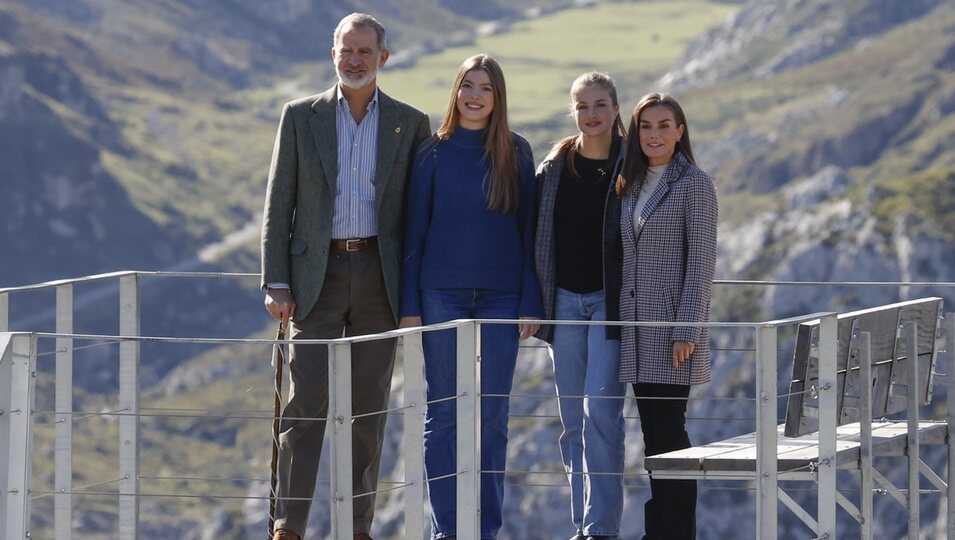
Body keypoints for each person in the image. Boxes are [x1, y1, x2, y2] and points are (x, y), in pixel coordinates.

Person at [260, 12, 431, 540]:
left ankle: (357, 526)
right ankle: (289, 526)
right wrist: (276, 281)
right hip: (316, 278)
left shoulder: (410, 123)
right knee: (304, 405)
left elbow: (417, 215)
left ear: (383, 57)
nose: (355, 60)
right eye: (346, 50)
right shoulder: (299, 116)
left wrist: (413, 293)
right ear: (332, 54)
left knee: (368, 410)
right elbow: (277, 203)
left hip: (380, 278)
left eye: (365, 51)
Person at [398, 53, 542, 540]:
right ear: (456, 92)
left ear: (498, 97)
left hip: (504, 298)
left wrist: (530, 301)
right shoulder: (430, 153)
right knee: (444, 413)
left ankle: (485, 529)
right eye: (467, 86)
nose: (475, 96)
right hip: (440, 295)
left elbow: (529, 236)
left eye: (485, 88)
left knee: (494, 413)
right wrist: (409, 306)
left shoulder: (516, 153)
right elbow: (413, 234)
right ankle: (447, 529)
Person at [615, 93, 718, 540]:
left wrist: (685, 330)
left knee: (671, 433)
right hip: (637, 330)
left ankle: (676, 532)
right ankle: (659, 530)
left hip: (672, 334)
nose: (654, 135)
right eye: (645, 126)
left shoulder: (694, 183)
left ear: (680, 130)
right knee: (654, 437)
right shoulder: (632, 182)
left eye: (663, 125)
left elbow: (701, 264)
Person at [534, 72, 627, 540]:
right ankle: (583, 525)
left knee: (601, 414)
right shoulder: (554, 167)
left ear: (615, 108)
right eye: (582, 105)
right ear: (573, 111)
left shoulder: (635, 164)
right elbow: (530, 237)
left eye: (600, 104)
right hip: (564, 304)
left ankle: (602, 528)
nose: (591, 114)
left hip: (612, 307)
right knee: (572, 419)